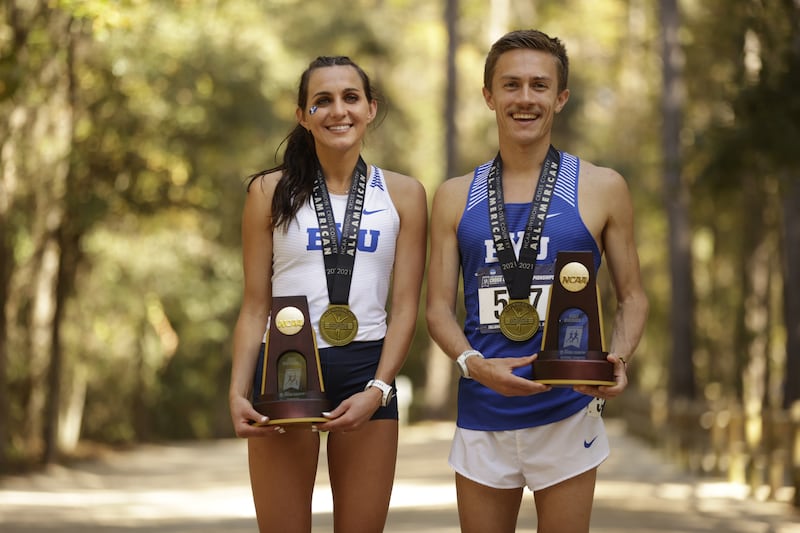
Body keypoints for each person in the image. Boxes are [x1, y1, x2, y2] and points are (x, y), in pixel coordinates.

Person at [426, 30, 648, 533]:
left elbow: (632, 296)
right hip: (483, 408)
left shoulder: (602, 187)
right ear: (489, 95)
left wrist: (618, 360)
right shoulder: (454, 196)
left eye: (539, 86)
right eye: (511, 85)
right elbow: (437, 308)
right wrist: (474, 365)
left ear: (560, 97)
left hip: (569, 406)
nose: (525, 98)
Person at [229, 56, 427, 533]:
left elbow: (405, 308)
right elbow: (256, 304)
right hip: (284, 368)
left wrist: (379, 389)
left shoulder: (404, 194)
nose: (338, 110)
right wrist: (238, 392)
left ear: (370, 108)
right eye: (323, 100)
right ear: (303, 115)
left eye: (350, 98)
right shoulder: (267, 192)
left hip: (366, 373)